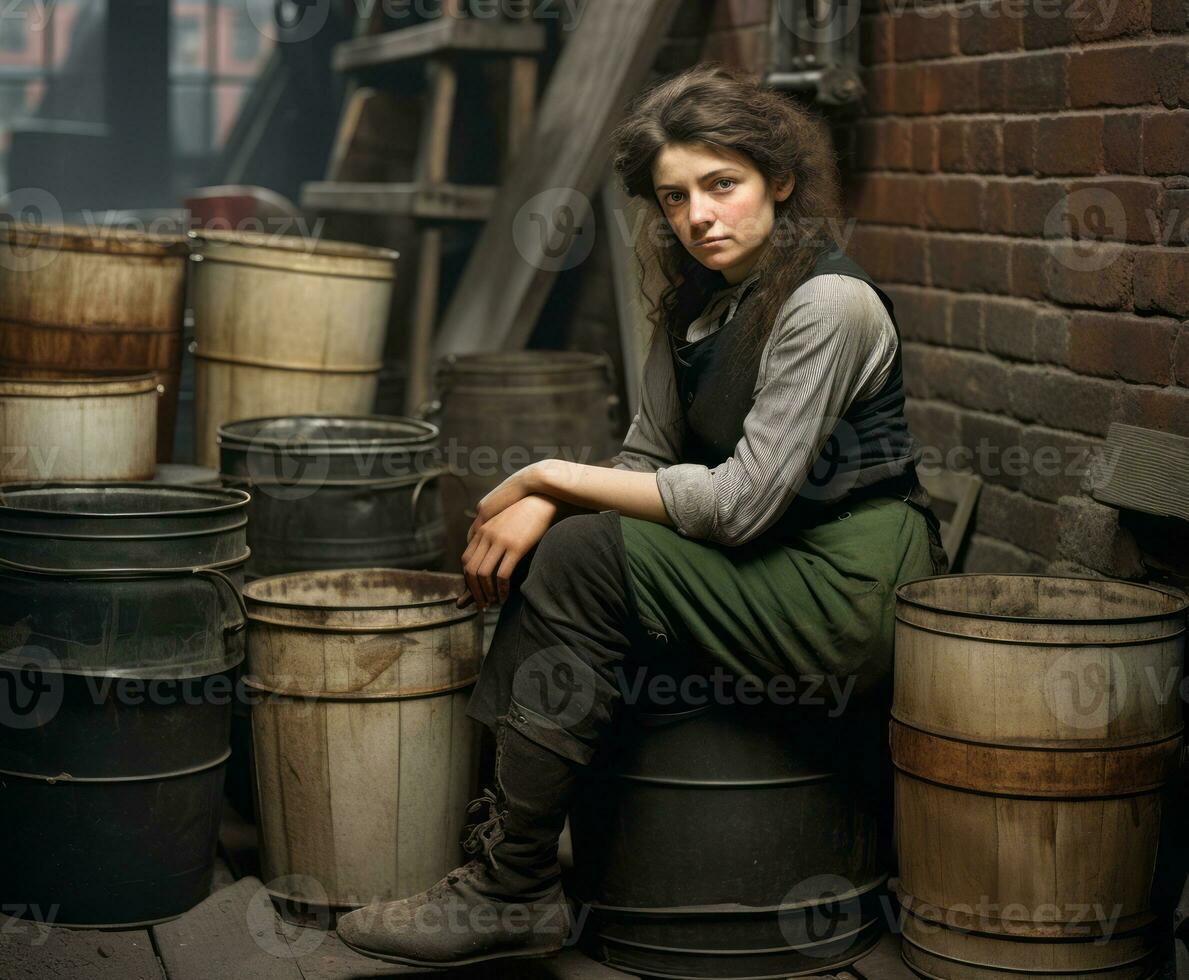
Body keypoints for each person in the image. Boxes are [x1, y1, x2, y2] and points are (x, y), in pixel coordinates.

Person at [336, 63, 949, 968]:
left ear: (778, 181)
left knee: (583, 557)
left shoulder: (829, 303)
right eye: (673, 198)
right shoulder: (694, 308)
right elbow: (646, 462)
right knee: (570, 549)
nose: (698, 215)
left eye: (721, 184)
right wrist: (551, 497)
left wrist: (546, 474)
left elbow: (739, 506)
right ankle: (511, 862)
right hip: (762, 570)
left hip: (845, 585)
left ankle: (510, 888)